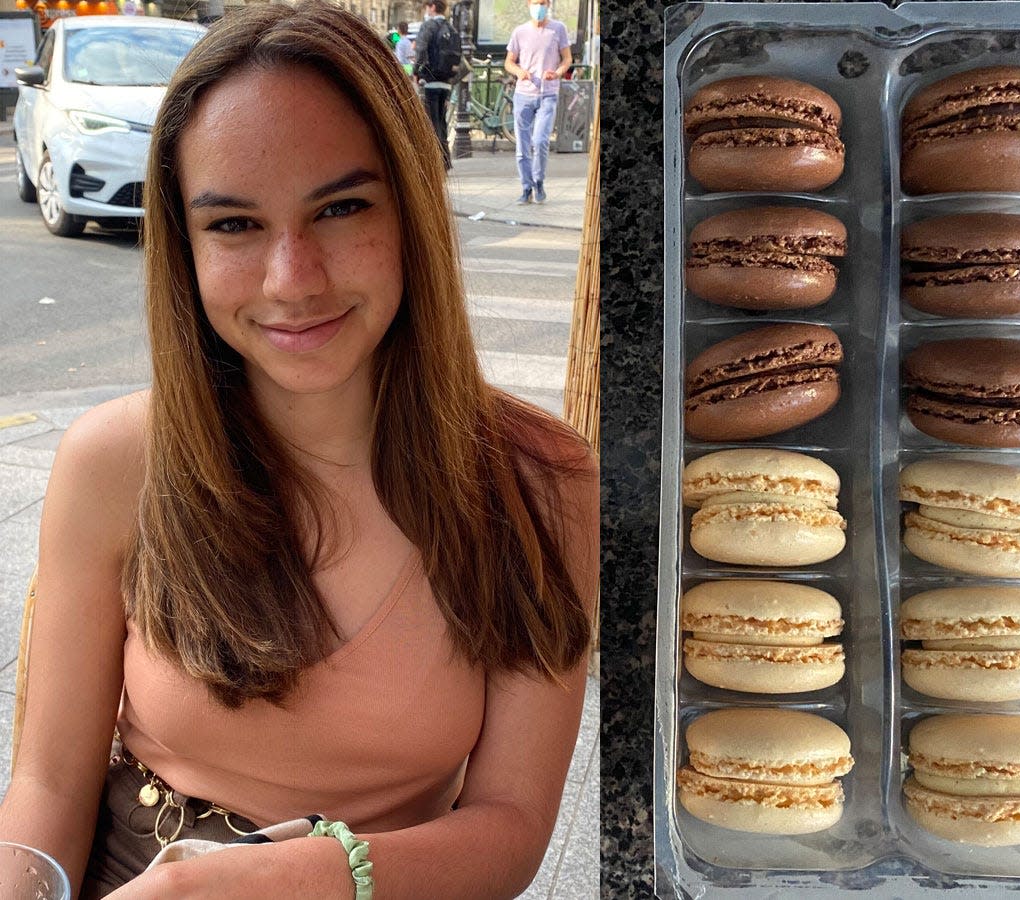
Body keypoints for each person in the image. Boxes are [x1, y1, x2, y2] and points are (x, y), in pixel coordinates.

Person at [0, 2, 598, 897]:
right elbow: (47, 785)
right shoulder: (116, 462)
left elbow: (509, 828)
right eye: (234, 225)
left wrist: (277, 881)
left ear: (413, 212)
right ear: (185, 246)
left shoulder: (539, 484)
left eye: (341, 207)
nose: (292, 279)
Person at [504, 0, 571, 204]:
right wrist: (519, 72)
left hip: (548, 94)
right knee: (522, 146)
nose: (539, 7)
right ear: (528, 4)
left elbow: (567, 59)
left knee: (540, 140)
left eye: (542, 3)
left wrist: (557, 72)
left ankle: (539, 181)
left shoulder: (558, 29)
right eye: (535, 3)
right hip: (524, 94)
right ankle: (526, 187)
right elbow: (509, 61)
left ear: (548, 4)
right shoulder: (520, 32)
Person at [413, 0, 456, 170]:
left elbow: (421, 49)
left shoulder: (428, 26)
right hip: (446, 82)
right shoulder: (451, 28)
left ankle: (434, 162)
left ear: (432, 7)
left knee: (431, 121)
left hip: (430, 80)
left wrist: (416, 71)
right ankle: (445, 160)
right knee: (442, 120)